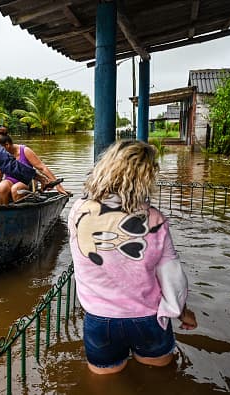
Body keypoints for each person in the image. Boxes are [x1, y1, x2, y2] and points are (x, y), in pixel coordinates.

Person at [67, 139, 197, 375]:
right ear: (147, 178)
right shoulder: (156, 221)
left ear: (106, 167)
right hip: (148, 319)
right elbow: (173, 279)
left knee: (105, 386)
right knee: (158, 380)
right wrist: (182, 312)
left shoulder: (78, 211)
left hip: (100, 320)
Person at [0, 127, 68, 204]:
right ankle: (3, 213)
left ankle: (21, 213)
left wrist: (58, 186)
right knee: (2, 187)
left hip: (27, 183)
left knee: (16, 189)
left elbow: (42, 168)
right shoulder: (1, 156)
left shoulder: (24, 150)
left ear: (7, 145)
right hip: (10, 181)